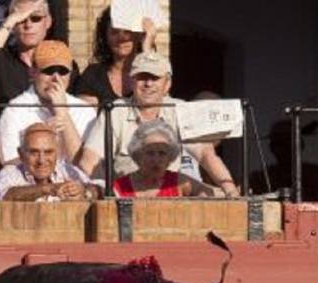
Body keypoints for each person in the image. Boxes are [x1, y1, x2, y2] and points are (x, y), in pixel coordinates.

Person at [76, 51, 239, 197]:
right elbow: (89, 160)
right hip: (125, 199)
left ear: (167, 84)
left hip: (170, 199)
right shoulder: (115, 111)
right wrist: (106, 195)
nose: (148, 84)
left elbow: (205, 155)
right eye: (142, 77)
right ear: (132, 82)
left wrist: (229, 188)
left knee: (209, 194)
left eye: (155, 78)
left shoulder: (180, 110)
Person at [0, 39, 95, 165]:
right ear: (32, 72)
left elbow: (84, 166)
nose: (56, 78)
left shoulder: (84, 110)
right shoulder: (15, 111)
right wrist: (45, 139)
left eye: (63, 71)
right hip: (29, 177)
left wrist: (64, 116)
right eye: (49, 71)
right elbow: (10, 165)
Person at [0, 0, 65, 123]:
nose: (28, 25)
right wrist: (8, 23)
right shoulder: (0, 60)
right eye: (21, 20)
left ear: (48, 22)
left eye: (36, 18)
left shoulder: (61, 63)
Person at [0, 121, 98, 201]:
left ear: (58, 152)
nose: (41, 160)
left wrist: (85, 192)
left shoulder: (67, 170)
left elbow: (98, 189)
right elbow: (4, 196)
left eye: (48, 152)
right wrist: (49, 189)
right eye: (34, 152)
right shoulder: (10, 173)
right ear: (21, 154)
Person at [72, 6, 156, 106]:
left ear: (139, 35)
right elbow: (85, 114)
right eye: (115, 32)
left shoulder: (156, 71)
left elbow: (155, 105)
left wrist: (147, 46)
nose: (122, 38)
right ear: (106, 36)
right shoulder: (93, 75)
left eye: (127, 31)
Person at [112, 119, 218, 198]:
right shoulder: (119, 187)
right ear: (138, 155)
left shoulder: (178, 182)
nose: (156, 159)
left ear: (170, 158)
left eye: (162, 153)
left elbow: (207, 191)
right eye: (150, 153)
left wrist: (200, 199)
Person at [249, 119, 318, 200]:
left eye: (288, 143)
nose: (283, 149)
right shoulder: (260, 179)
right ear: (272, 147)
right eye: (279, 144)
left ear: (300, 145)